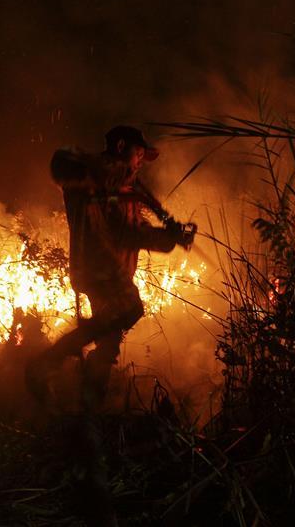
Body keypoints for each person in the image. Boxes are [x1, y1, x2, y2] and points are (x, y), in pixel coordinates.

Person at [25, 125, 194, 411]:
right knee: (130, 310)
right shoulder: (90, 176)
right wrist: (169, 238)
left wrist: (170, 237)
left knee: (109, 343)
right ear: (119, 148)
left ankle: (88, 409)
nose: (140, 161)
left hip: (104, 269)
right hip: (102, 268)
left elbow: (134, 227)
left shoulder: (124, 188)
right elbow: (123, 232)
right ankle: (48, 361)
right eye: (137, 153)